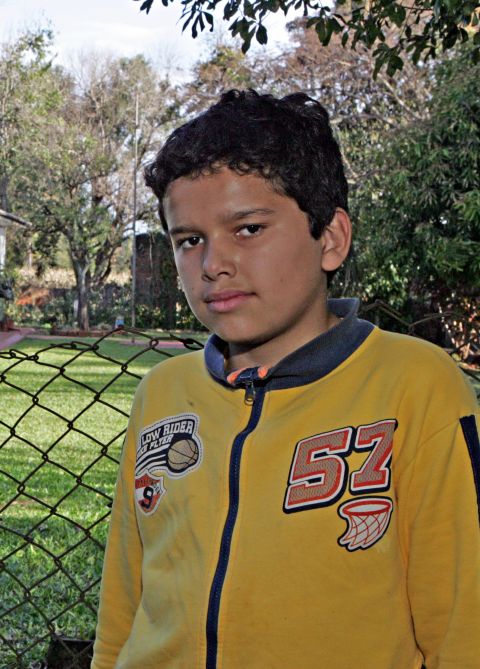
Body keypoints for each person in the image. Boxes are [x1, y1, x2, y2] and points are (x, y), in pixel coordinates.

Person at [92, 90, 480, 668]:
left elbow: (461, 625)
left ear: (330, 239)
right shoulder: (161, 394)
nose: (212, 263)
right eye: (189, 240)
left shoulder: (416, 385)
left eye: (247, 229)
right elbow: (124, 597)